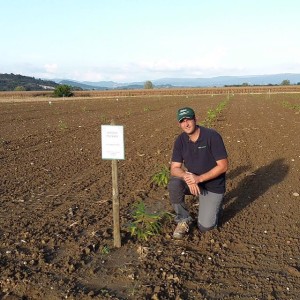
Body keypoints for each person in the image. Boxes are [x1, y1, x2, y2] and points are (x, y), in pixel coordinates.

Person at [168, 107, 228, 239]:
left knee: (205, 227)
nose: (186, 124)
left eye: (188, 119)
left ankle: (217, 206)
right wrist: (186, 176)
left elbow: (223, 166)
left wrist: (199, 178)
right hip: (193, 182)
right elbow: (174, 168)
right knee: (174, 184)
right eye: (182, 121)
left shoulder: (212, 136)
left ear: (195, 119)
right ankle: (183, 219)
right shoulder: (180, 141)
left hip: (213, 186)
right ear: (179, 124)